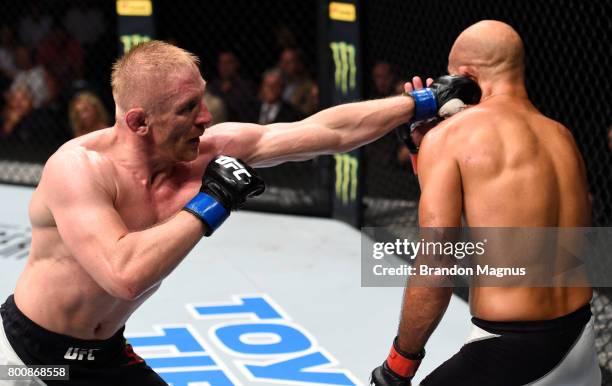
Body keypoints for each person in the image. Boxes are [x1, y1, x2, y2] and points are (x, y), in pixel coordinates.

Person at [0, 40, 478, 385]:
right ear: (139, 122)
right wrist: (213, 201)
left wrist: (419, 102)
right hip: (30, 356)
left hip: (103, 353)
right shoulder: (77, 170)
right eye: (188, 108)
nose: (205, 117)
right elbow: (123, 274)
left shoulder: (207, 148)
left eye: (202, 99)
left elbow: (328, 130)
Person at [370, 20, 600, 385]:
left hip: (512, 353)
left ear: (463, 77)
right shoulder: (562, 136)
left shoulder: (454, 137)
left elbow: (437, 262)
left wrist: (399, 364)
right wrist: (424, 153)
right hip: (581, 344)